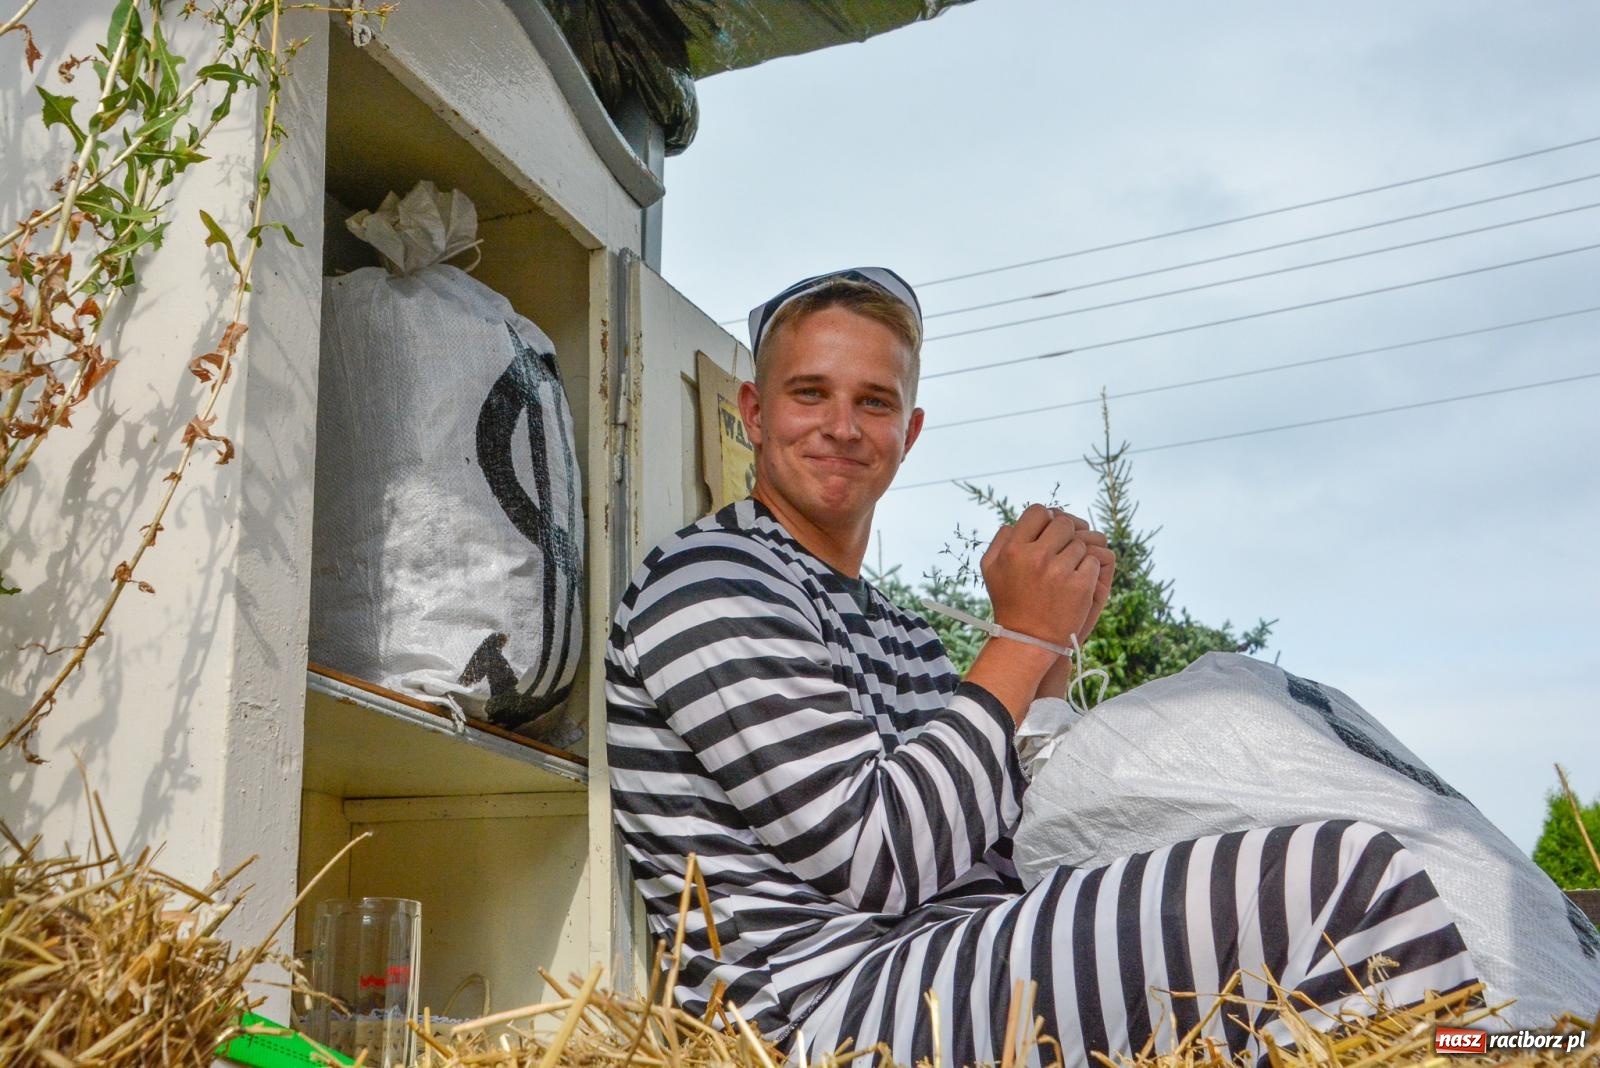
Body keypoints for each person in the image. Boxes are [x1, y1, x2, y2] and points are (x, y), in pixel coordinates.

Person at [604, 267, 1477, 1066]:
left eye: (874, 402)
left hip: (954, 963)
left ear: (908, 434)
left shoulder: (896, 628)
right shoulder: (712, 582)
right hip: (829, 1015)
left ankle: (1492, 1041)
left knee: (1303, 925)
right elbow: (875, 858)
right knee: (1341, 877)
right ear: (756, 414)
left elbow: (998, 836)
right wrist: (1020, 637)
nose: (841, 426)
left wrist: (1054, 651)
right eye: (810, 394)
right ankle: (1494, 1047)